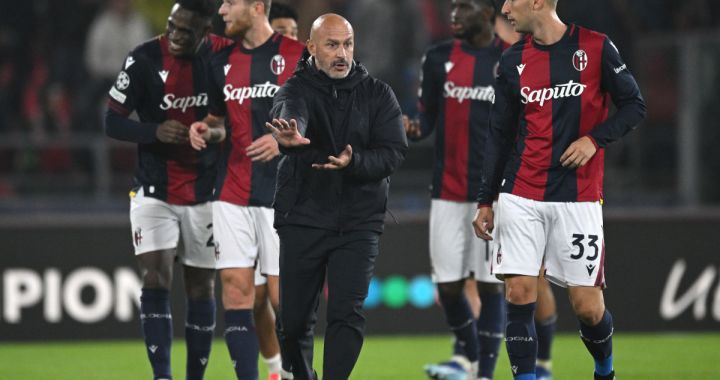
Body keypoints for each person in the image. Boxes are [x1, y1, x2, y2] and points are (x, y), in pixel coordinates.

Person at [473, 0, 646, 379]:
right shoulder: (511, 62)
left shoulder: (596, 47)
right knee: (519, 294)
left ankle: (604, 369)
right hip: (521, 191)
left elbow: (634, 105)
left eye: (511, 0)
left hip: (578, 195)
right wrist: (486, 199)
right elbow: (498, 135)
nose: (504, 8)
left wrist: (594, 140)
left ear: (537, 2)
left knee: (587, 307)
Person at [265, 14, 408, 380]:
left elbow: (393, 152)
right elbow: (290, 113)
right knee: (293, 322)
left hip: (359, 221)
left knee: (347, 314)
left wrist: (354, 161)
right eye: (331, 45)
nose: (341, 53)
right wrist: (292, 136)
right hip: (303, 216)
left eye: (347, 44)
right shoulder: (295, 89)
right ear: (311, 48)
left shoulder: (378, 93)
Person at [104, 1, 232, 379]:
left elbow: (233, 123)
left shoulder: (223, 60)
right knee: (155, 276)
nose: (174, 35)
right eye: (172, 26)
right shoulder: (143, 58)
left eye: (185, 31)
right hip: (153, 189)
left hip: (206, 191)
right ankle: (162, 376)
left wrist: (213, 134)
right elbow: (112, 121)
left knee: (201, 286)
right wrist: (152, 131)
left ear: (206, 31)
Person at [188, 0, 305, 378]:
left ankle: (294, 372)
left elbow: (328, 117)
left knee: (281, 299)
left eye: (230, 3)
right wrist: (206, 130)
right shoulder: (219, 61)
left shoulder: (298, 55)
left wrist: (286, 140)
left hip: (283, 196)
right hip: (232, 192)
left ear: (257, 7)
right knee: (236, 291)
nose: (222, 10)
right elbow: (217, 120)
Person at [404, 1, 508, 379]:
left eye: (465, 7)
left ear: (487, 12)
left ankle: (484, 373)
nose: (454, 14)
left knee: (490, 285)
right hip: (446, 190)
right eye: (453, 7)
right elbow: (427, 116)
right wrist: (416, 128)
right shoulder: (437, 58)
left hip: (494, 196)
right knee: (448, 286)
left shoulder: (511, 61)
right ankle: (473, 353)